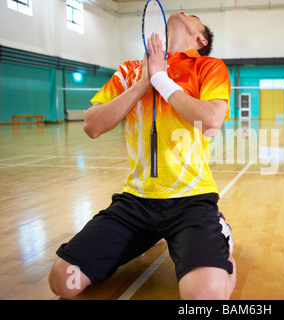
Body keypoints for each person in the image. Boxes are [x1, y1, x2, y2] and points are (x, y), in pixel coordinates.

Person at [48, 11, 236, 300]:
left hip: (191, 201)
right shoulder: (129, 71)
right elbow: (92, 125)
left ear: (201, 39)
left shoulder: (208, 66)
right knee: (64, 281)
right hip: (135, 204)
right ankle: (153, 234)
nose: (183, 12)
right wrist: (143, 83)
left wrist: (162, 80)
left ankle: (221, 238)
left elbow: (211, 120)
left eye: (193, 16)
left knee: (203, 297)